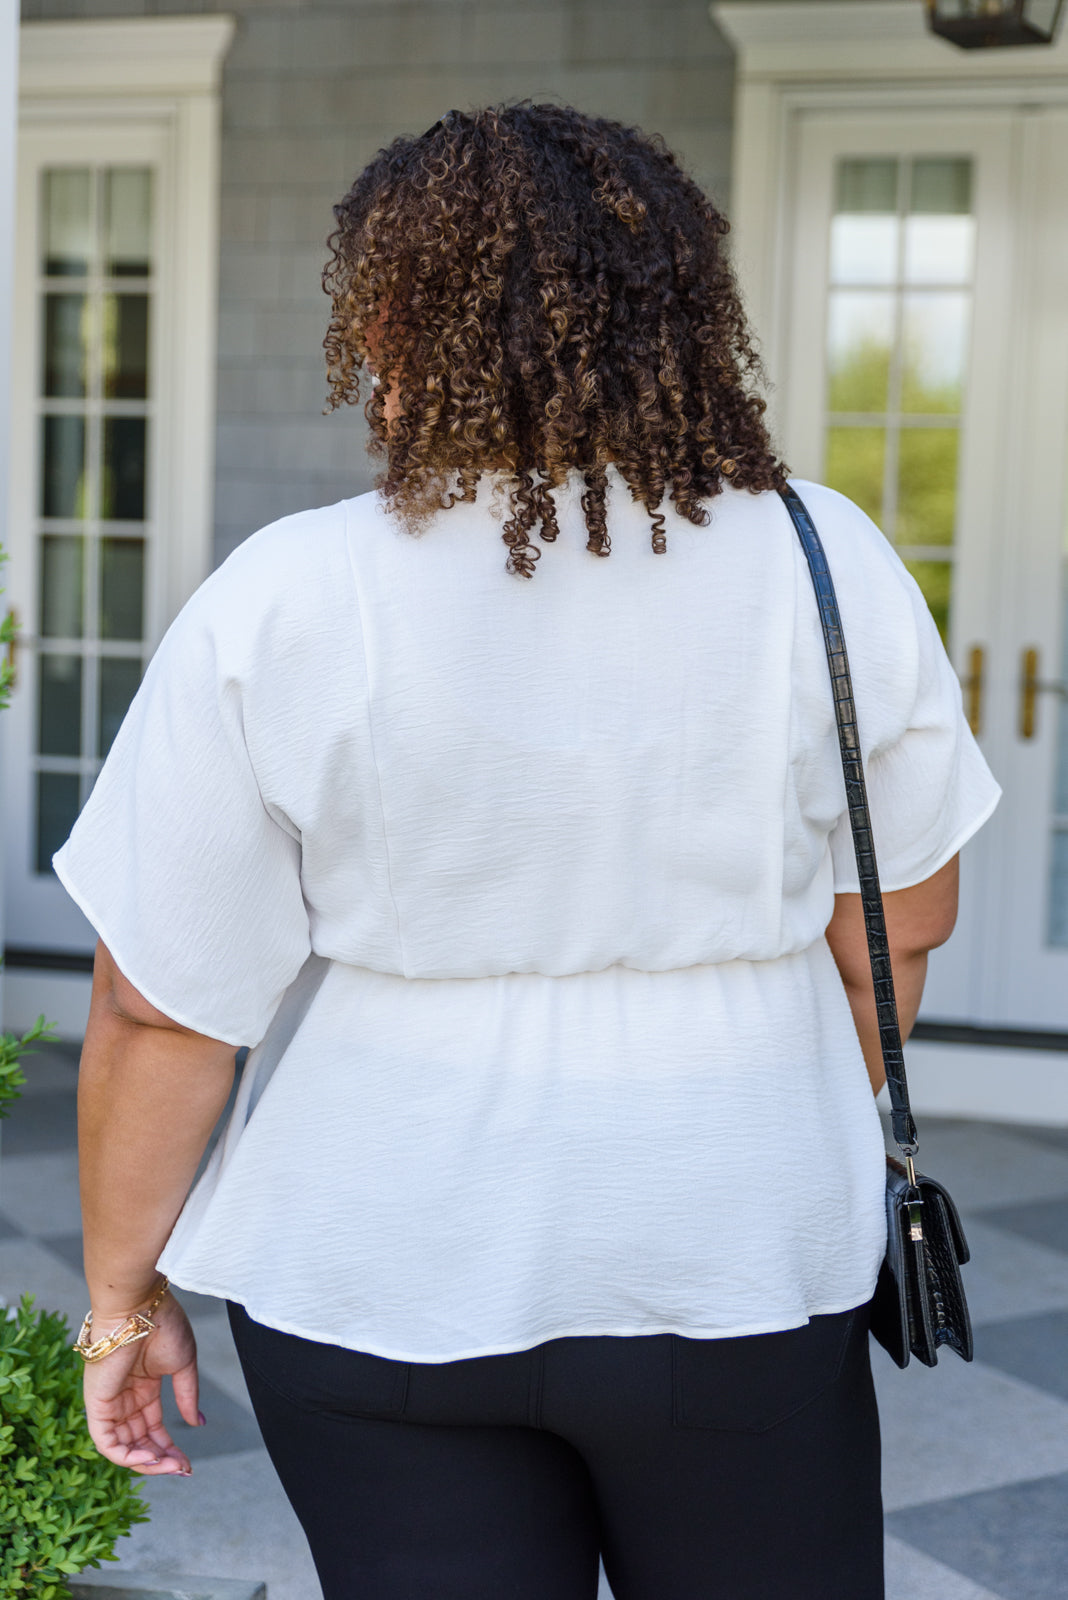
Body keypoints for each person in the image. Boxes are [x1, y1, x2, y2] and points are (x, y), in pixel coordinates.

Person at [58, 104, 999, 1600]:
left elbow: (163, 1006)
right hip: (740, 1239)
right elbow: (902, 921)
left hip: (375, 1250)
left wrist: (121, 1296)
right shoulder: (826, 557)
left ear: (382, 321)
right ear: (684, 311)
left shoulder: (286, 596)